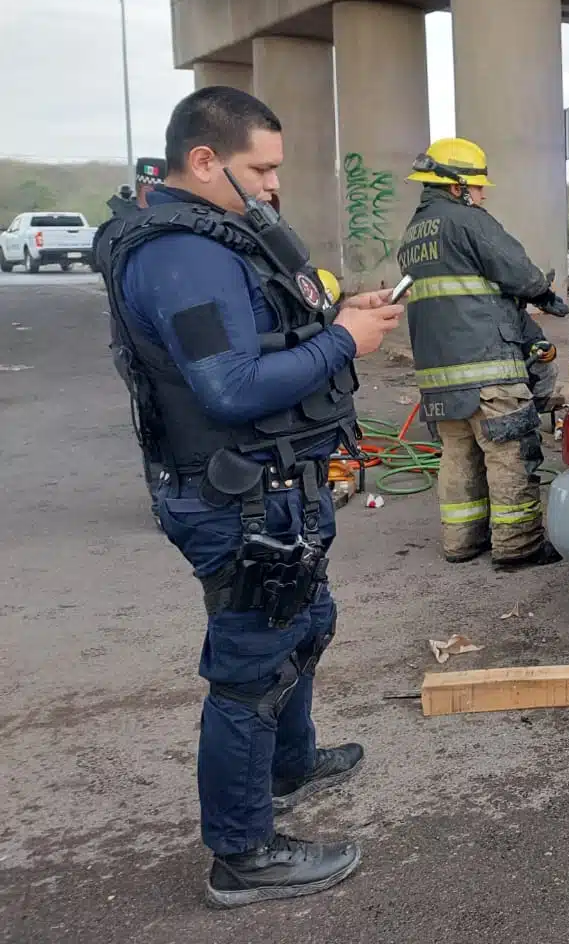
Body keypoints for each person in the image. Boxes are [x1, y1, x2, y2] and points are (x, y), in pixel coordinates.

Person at [92, 86, 406, 908]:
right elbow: (228, 386)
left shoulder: (213, 239)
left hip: (273, 487)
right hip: (236, 496)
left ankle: (288, 767)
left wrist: (338, 316)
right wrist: (345, 340)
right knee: (252, 668)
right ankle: (243, 855)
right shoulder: (179, 253)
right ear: (203, 161)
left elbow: (256, 336)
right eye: (258, 169)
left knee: (303, 626)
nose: (272, 185)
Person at [398, 137, 569, 567]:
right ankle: (518, 546)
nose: (482, 194)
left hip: (440, 376)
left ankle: (462, 542)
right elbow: (518, 270)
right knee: (509, 452)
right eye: (476, 186)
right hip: (488, 365)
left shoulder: (413, 234)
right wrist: (545, 296)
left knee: (458, 455)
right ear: (455, 186)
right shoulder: (468, 221)